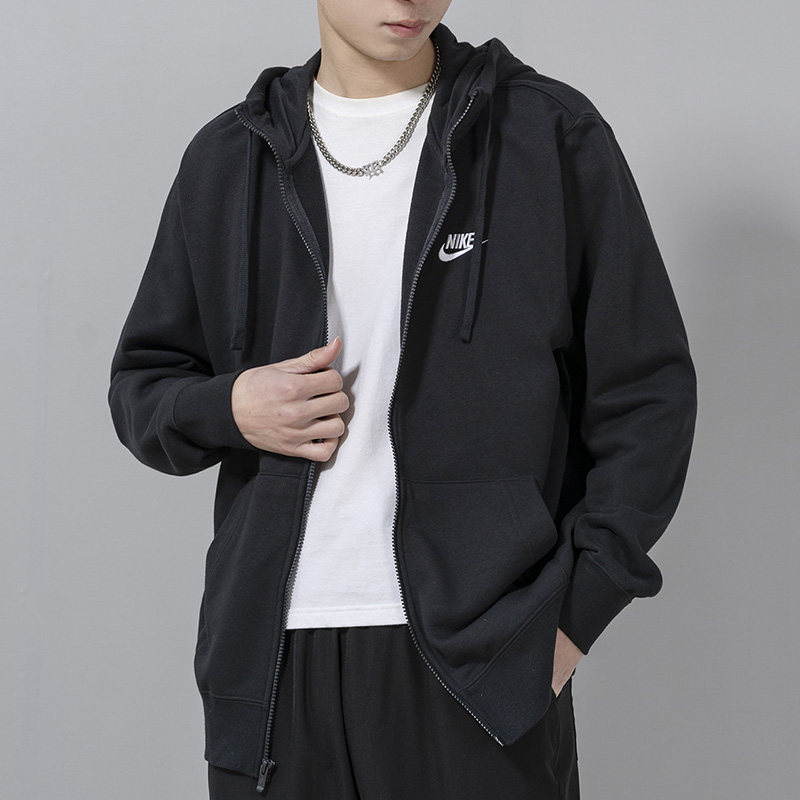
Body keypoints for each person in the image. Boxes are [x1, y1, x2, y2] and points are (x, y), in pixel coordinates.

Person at [107, 2, 697, 798]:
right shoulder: (229, 159)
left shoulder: (547, 135)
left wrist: (572, 617)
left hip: (481, 658)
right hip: (274, 658)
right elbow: (143, 385)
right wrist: (232, 406)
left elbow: (647, 395)